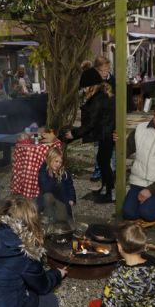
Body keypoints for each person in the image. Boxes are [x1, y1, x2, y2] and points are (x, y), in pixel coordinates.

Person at [65, 64, 116, 203]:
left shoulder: (98, 99)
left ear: (91, 85)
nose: (84, 89)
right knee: (103, 161)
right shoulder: (101, 94)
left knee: (104, 162)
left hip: (106, 135)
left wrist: (74, 134)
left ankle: (111, 192)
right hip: (105, 134)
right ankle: (107, 188)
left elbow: (90, 124)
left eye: (85, 87)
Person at [36, 147, 76, 225]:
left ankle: (55, 215)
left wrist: (72, 198)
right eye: (56, 161)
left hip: (61, 200)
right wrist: (53, 176)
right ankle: (47, 215)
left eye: (60, 162)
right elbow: (46, 188)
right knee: (48, 196)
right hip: (48, 199)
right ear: (49, 159)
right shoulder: (43, 171)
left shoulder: (64, 172)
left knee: (62, 218)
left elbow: (70, 187)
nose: (58, 164)